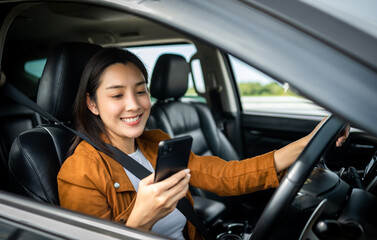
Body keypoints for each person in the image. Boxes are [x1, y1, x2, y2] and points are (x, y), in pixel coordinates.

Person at [57, 47, 349, 240]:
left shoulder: (157, 143)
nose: (134, 105)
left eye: (141, 91)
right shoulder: (78, 174)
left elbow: (227, 176)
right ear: (92, 104)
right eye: (117, 95)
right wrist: (141, 221)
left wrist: (313, 139)